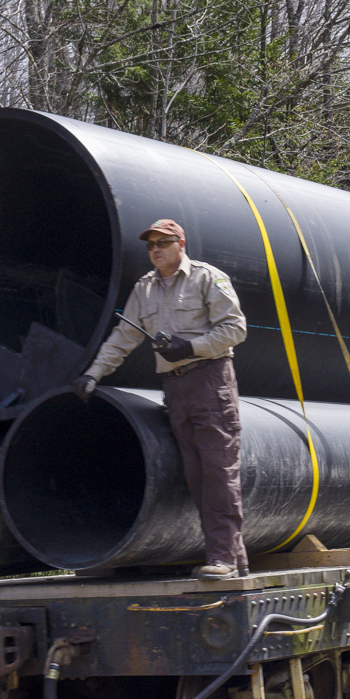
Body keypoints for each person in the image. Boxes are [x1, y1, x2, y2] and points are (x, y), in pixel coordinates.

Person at [72, 219, 250, 578]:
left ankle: (224, 559)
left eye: (163, 242)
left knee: (218, 471)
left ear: (180, 244)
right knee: (197, 476)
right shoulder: (145, 288)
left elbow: (235, 329)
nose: (156, 250)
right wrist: (93, 374)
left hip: (210, 381)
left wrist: (190, 347)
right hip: (175, 387)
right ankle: (234, 558)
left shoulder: (206, 278)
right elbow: (123, 336)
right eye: (151, 245)